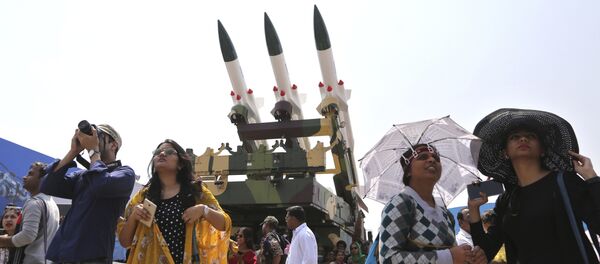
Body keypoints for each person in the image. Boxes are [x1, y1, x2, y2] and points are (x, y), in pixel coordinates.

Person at [468, 108, 600, 263]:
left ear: (542, 150)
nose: (523, 139)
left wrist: (592, 180)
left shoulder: (565, 181)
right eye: (514, 137)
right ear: (505, 153)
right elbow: (485, 252)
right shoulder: (506, 200)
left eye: (531, 136)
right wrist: (474, 210)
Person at [118, 139, 232, 263]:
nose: (162, 154)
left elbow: (224, 224)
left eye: (169, 151)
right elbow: (124, 241)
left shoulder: (196, 192)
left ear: (180, 164)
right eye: (158, 152)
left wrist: (203, 210)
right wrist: (134, 216)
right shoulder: (144, 196)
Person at [40, 123, 135, 263]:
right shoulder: (84, 176)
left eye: (98, 135)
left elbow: (100, 185)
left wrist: (93, 152)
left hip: (93, 257)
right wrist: (73, 152)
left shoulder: (125, 173)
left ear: (113, 145)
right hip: (64, 254)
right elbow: (48, 186)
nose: (93, 138)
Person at [378, 144, 487, 264]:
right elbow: (388, 259)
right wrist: (448, 257)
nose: (432, 160)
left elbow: (454, 256)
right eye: (423, 157)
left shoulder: (446, 214)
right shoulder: (401, 203)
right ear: (408, 171)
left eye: (436, 158)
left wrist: (470, 258)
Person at [0, 162, 60, 264]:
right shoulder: (52, 204)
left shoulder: (34, 203)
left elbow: (27, 236)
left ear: (43, 179)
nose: (24, 177)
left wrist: (3, 241)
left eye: (30, 174)